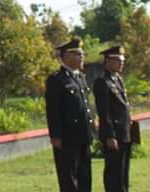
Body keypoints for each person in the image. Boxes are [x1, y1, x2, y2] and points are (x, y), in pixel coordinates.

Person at [45, 38, 96, 192]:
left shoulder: (80, 77)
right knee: (69, 179)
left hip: (83, 135)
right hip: (67, 138)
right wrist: (55, 136)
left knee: (85, 177)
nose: (82, 57)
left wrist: (92, 127)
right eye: (78, 54)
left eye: (82, 54)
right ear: (66, 57)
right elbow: (53, 109)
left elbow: (85, 106)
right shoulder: (57, 79)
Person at [93, 45, 132, 192]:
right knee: (114, 172)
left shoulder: (118, 79)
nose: (122, 63)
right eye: (118, 60)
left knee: (123, 171)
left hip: (124, 132)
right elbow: (104, 112)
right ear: (108, 61)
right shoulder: (102, 81)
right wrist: (110, 135)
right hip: (114, 133)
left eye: (123, 61)